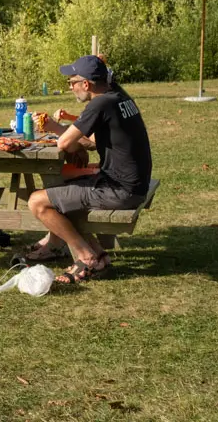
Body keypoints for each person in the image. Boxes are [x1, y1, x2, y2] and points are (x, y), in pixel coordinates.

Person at [25, 55, 153, 283]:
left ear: (86, 84)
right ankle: (99, 256)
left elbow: (65, 145)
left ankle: (85, 257)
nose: (70, 88)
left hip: (120, 190)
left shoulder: (99, 103)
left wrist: (63, 136)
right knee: (61, 191)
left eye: (72, 82)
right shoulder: (119, 97)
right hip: (131, 184)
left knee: (37, 201)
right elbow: (93, 141)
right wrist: (56, 127)